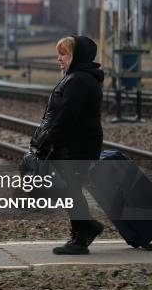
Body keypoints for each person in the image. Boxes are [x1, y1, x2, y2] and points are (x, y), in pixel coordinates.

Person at [31, 36, 105, 255]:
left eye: (64, 54)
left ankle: (82, 237)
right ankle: (85, 230)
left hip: (78, 147)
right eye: (59, 54)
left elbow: (66, 117)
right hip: (75, 144)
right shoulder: (76, 78)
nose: (59, 59)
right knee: (70, 189)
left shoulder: (80, 80)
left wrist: (48, 141)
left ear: (77, 56)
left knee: (71, 190)